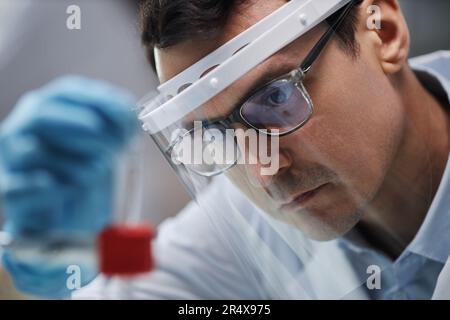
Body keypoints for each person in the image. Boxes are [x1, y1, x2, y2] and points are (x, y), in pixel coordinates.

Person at [1, 0, 450, 299]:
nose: (262, 171)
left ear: (384, 33)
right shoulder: (246, 228)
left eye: (276, 98)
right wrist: (73, 253)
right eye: (211, 133)